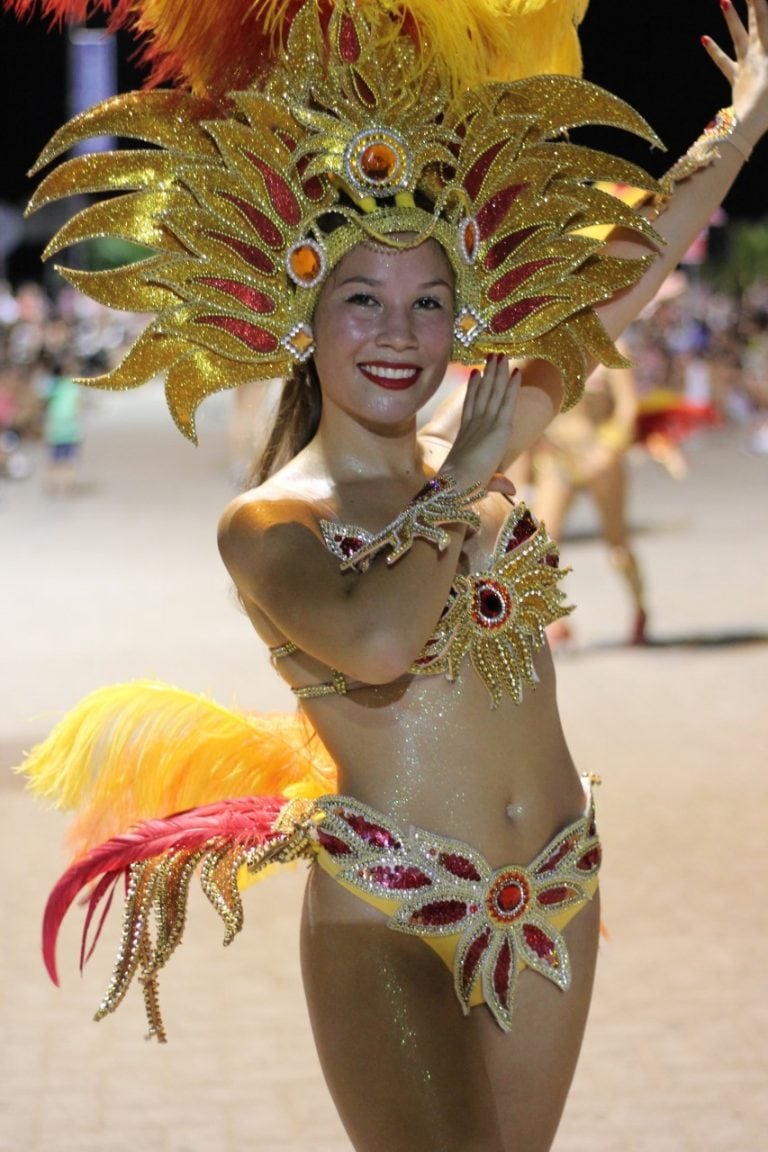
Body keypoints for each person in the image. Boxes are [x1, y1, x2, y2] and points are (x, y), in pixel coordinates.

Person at [14, 2, 768, 1150]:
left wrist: (742, 127)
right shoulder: (269, 522)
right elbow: (374, 642)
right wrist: (464, 482)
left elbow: (623, 276)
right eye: (362, 298)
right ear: (300, 313)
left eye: (428, 301)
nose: (399, 333)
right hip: (388, 914)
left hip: (557, 890)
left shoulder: (479, 441)